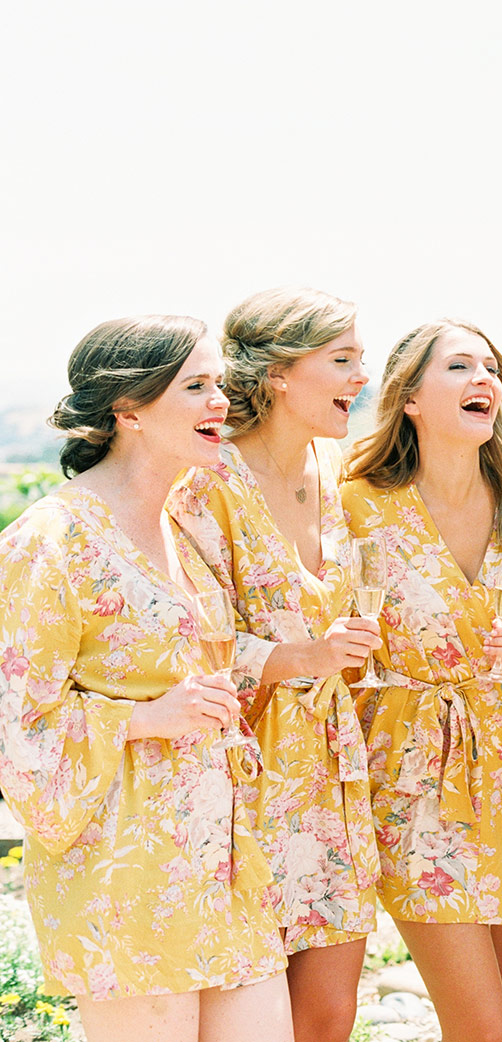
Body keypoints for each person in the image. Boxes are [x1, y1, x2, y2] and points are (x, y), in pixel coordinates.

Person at [0, 316, 291, 1042]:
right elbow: (16, 722)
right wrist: (139, 719)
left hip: (223, 856)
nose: (220, 401)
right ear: (128, 410)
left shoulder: (185, 527)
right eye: (195, 386)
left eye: (218, 383)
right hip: (122, 870)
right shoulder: (52, 540)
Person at [341, 318, 502, 1042]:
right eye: (459, 367)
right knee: (482, 1024)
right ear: (408, 397)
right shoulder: (356, 503)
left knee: (479, 1010)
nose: (484, 380)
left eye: (492, 369)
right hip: (411, 777)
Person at [168, 287, 380, 1042]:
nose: (363, 376)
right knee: (252, 1016)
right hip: (244, 779)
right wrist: (301, 656)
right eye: (344, 359)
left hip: (333, 770)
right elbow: (187, 633)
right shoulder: (203, 483)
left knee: (329, 1015)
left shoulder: (343, 475)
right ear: (282, 375)